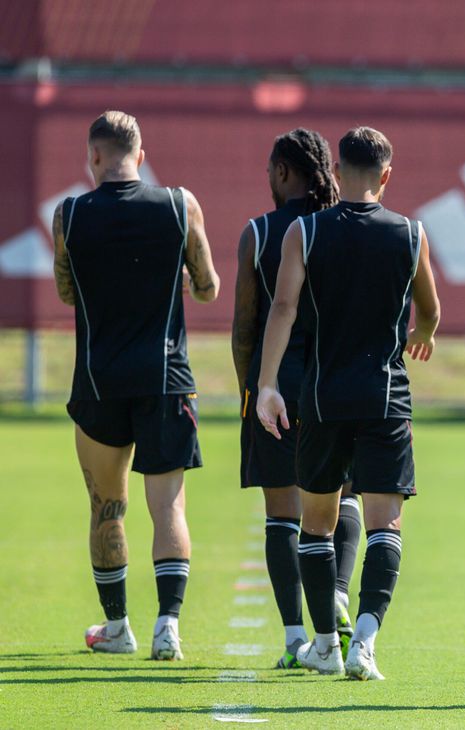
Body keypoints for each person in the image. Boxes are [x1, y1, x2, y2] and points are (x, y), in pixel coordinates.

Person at [256, 126, 440, 679]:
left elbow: (283, 309)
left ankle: (324, 646)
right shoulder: (411, 233)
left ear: (336, 173)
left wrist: (267, 385)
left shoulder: (305, 234)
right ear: (387, 175)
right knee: (387, 524)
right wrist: (421, 333)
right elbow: (430, 311)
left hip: (322, 398)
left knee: (315, 525)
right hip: (387, 398)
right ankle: (364, 641)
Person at [51, 110, 220, 660]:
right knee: (167, 506)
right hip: (166, 379)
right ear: (140, 156)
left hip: (99, 380)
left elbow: (68, 294)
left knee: (107, 506)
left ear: (93, 157)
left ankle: (118, 627)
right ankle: (167, 625)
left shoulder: (69, 214)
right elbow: (208, 288)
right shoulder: (178, 203)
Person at [231, 128, 363, 669]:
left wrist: (252, 388)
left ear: (284, 172)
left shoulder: (259, 234)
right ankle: (334, 591)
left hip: (278, 389)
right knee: (346, 498)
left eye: (269, 169)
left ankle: (293, 639)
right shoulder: (340, 229)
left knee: (282, 514)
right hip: (337, 386)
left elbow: (245, 326)